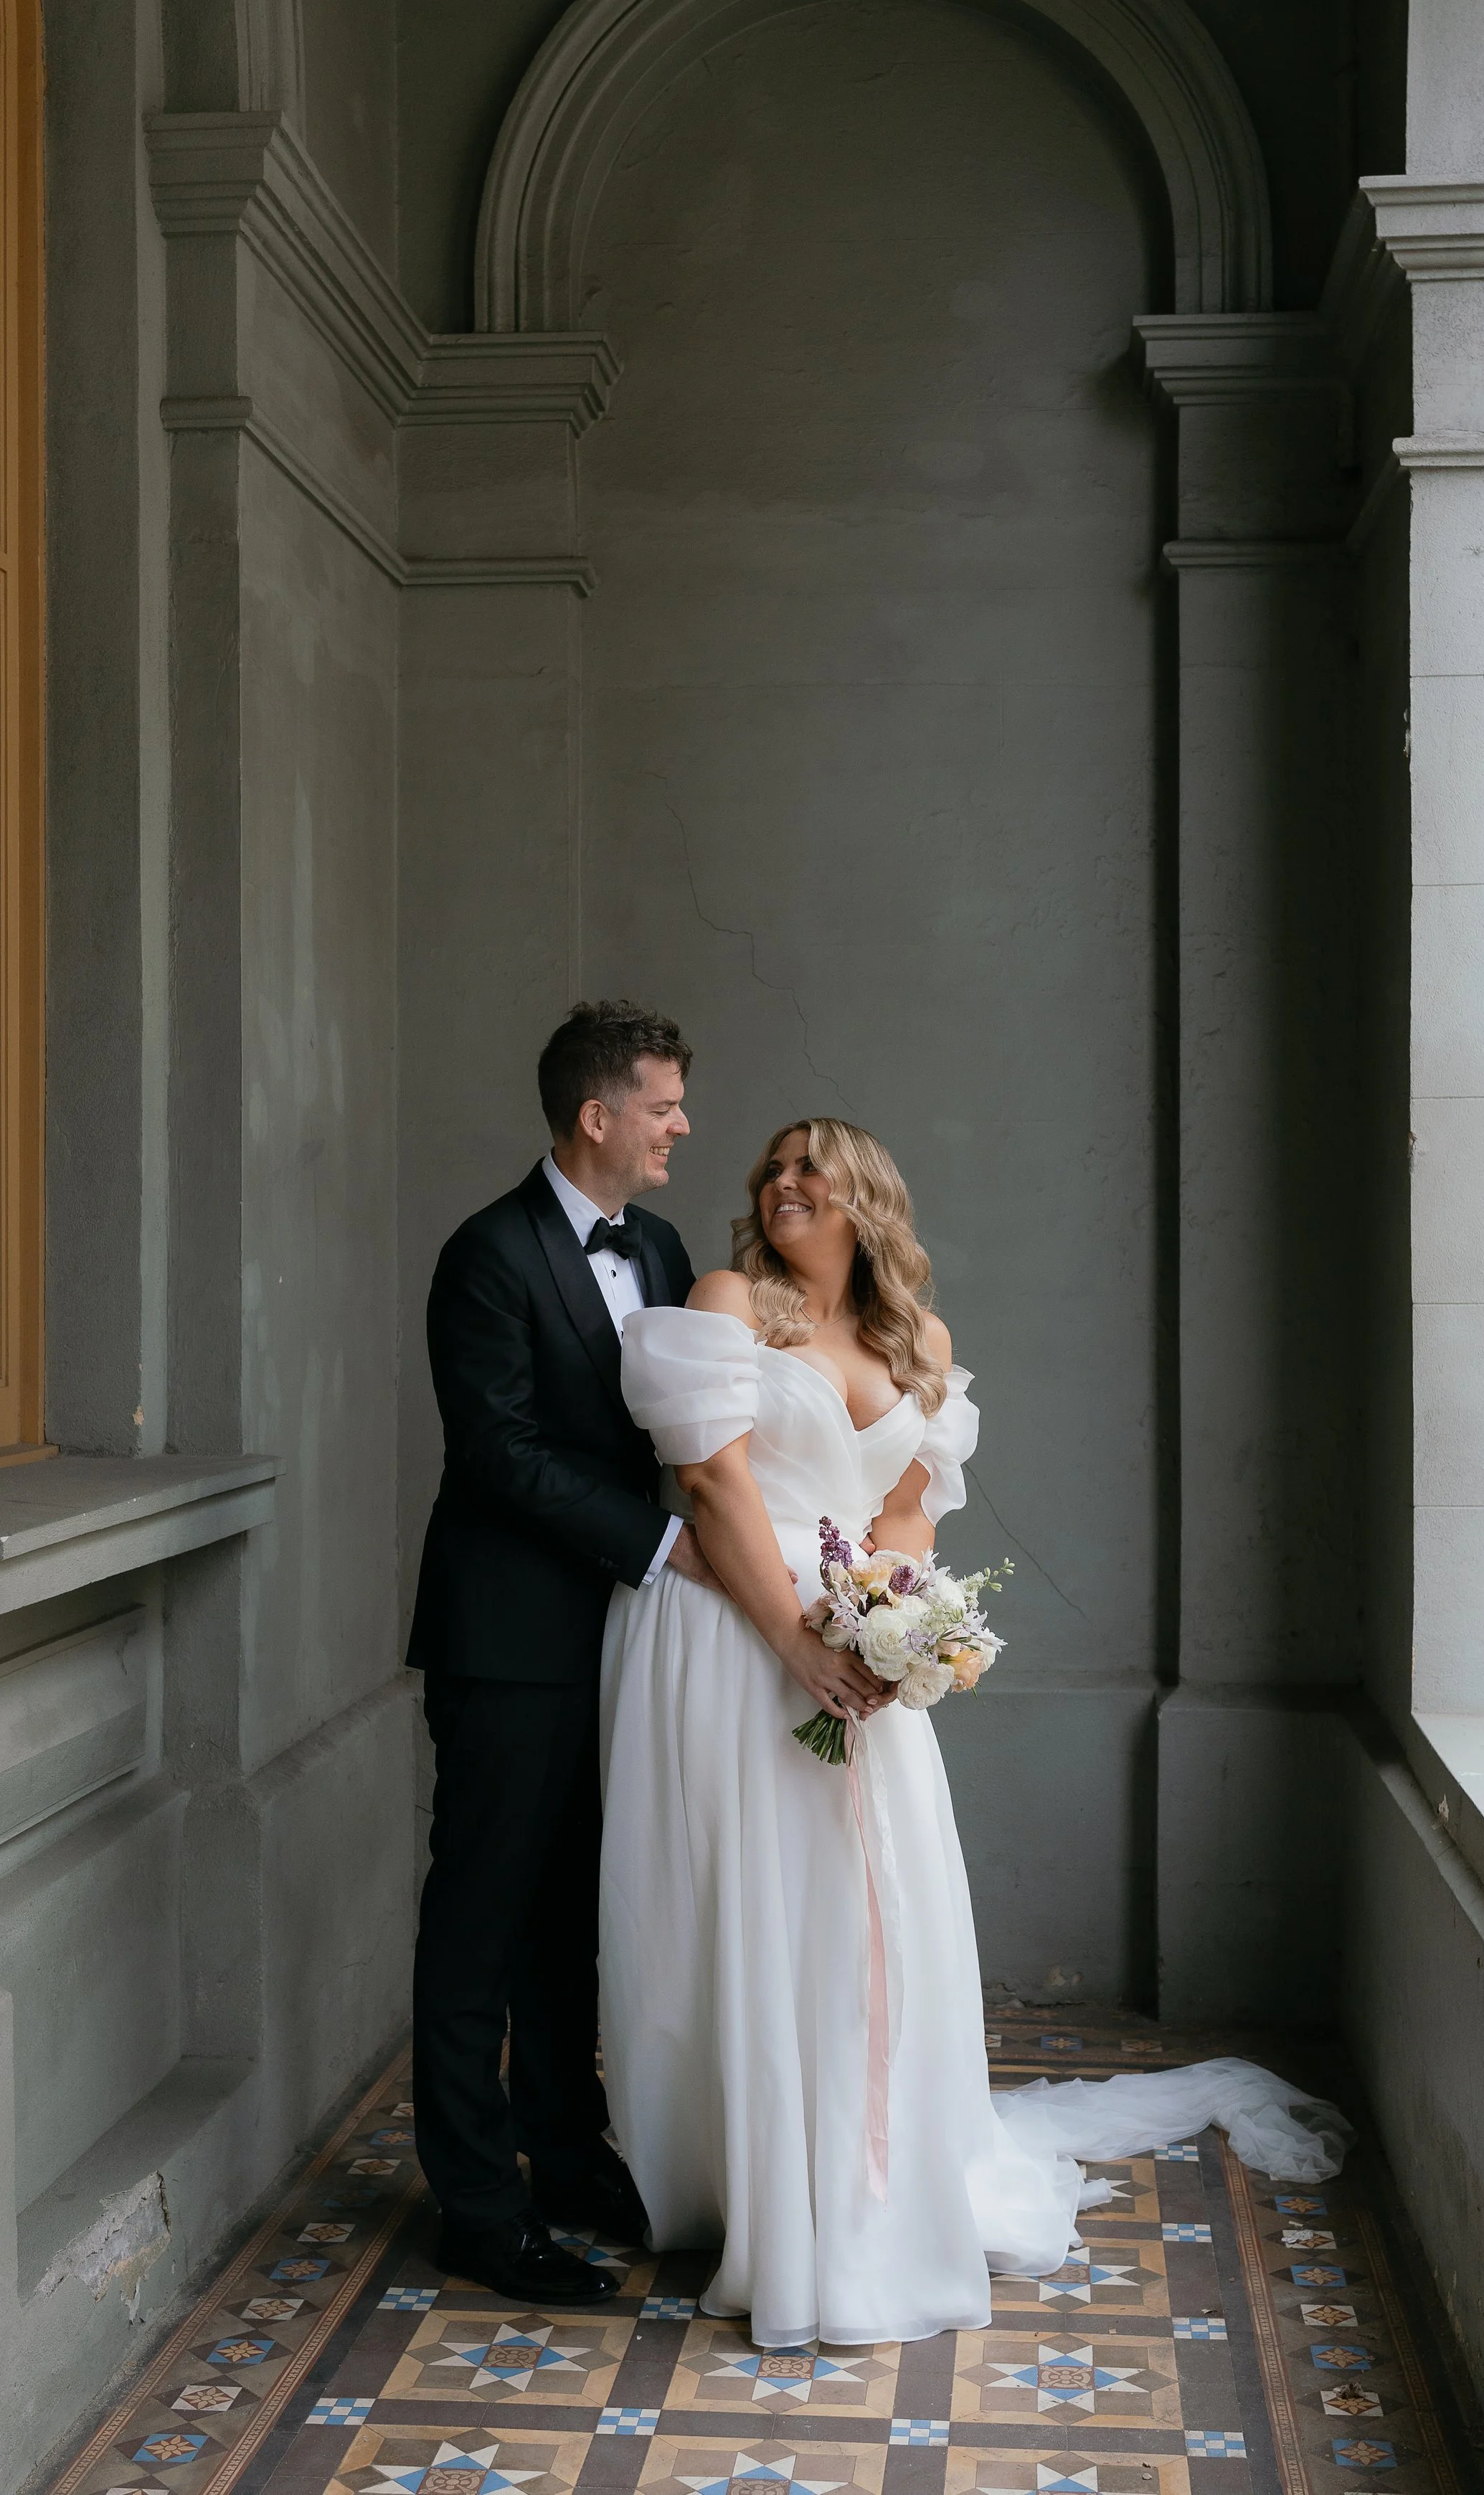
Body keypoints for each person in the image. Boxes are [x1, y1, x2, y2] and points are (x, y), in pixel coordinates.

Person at [601, 1117, 1348, 2347]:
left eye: (808, 1165)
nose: (780, 1182)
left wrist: (893, 1629)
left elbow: (905, 1519)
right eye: (770, 1169)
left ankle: (868, 2175)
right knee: (745, 1903)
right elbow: (713, 1481)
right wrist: (799, 1636)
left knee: (869, 1916)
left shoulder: (920, 1343)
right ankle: (745, 2185)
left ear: (867, 1197)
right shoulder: (731, 1297)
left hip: (853, 1653)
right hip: (731, 1638)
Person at [406, 1006, 892, 2309]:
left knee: (573, 1916)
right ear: (598, 1116)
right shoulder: (486, 1255)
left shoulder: (666, 1246)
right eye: (667, 1105)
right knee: (481, 1918)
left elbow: (697, 1427)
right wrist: (666, 1544)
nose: (685, 1126)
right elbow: (497, 1453)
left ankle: (568, 2157)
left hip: (633, 1643)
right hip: (510, 1639)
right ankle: (478, 2206)